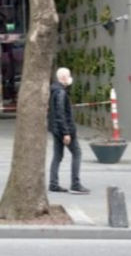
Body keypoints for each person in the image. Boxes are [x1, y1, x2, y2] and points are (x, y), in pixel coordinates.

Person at [47, 66, 89, 194]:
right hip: (65, 129)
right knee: (77, 153)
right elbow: (61, 113)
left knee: (57, 156)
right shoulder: (61, 93)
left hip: (56, 129)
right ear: (64, 77)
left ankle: (53, 184)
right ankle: (75, 184)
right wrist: (66, 132)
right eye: (69, 75)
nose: (70, 78)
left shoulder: (54, 90)